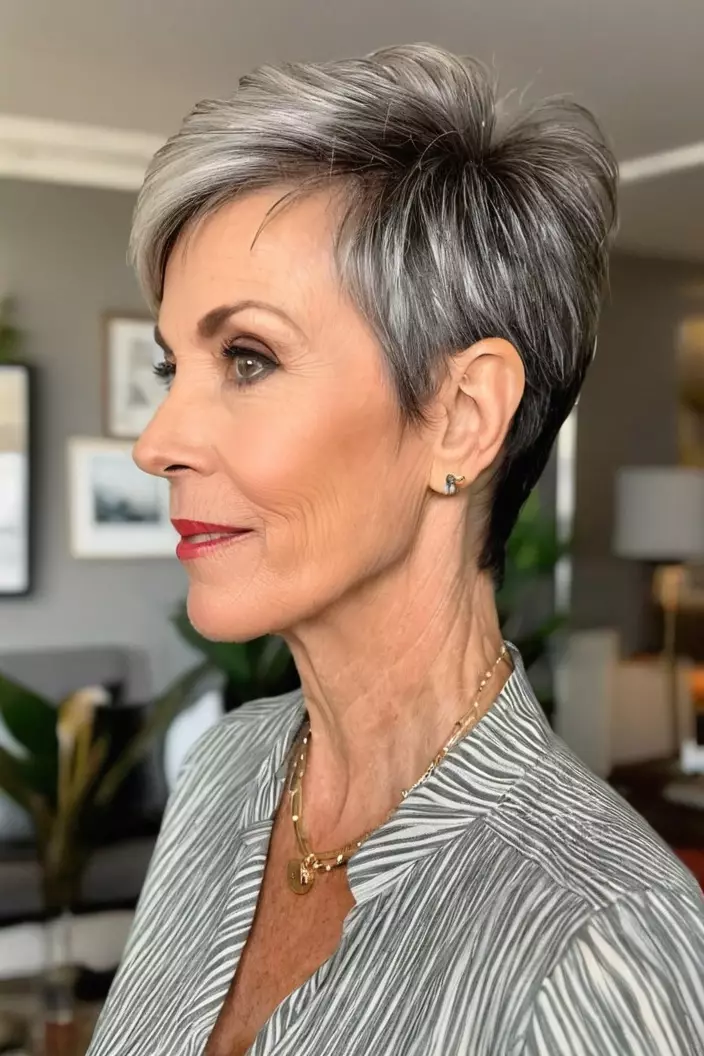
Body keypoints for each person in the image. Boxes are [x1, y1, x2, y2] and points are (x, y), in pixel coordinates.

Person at [87, 44, 704, 1056]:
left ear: (461, 418)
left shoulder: (605, 944)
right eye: (173, 364)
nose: (156, 441)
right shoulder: (224, 772)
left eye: (246, 357)